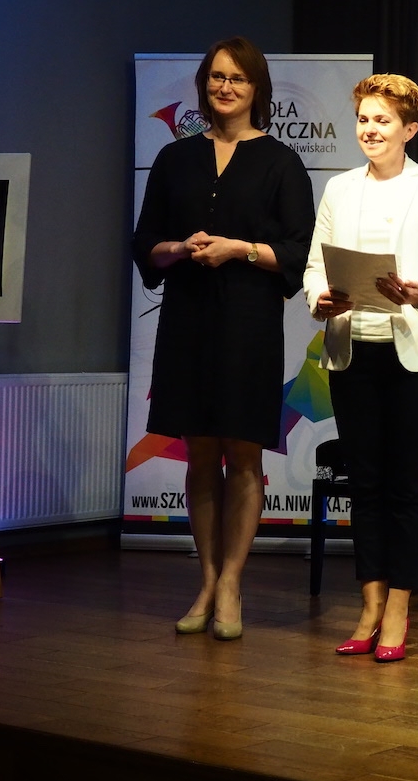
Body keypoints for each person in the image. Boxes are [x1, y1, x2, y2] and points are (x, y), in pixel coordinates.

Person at [133, 37, 314, 640]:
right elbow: (145, 245)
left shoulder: (281, 163)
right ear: (203, 85)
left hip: (248, 325)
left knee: (244, 456)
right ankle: (207, 580)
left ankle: (233, 582)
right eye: (216, 77)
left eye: (237, 78)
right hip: (186, 321)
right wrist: (179, 247)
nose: (225, 87)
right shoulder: (174, 159)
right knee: (200, 454)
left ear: (257, 88)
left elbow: (298, 253)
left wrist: (240, 250)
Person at [303, 73, 418, 662]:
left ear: (409, 129)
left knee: (405, 485)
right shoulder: (339, 189)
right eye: (363, 119)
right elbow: (314, 267)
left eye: (382, 120)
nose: (370, 130)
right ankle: (369, 604)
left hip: (416, 356)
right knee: (365, 484)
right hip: (353, 352)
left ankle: (398, 606)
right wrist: (320, 298)